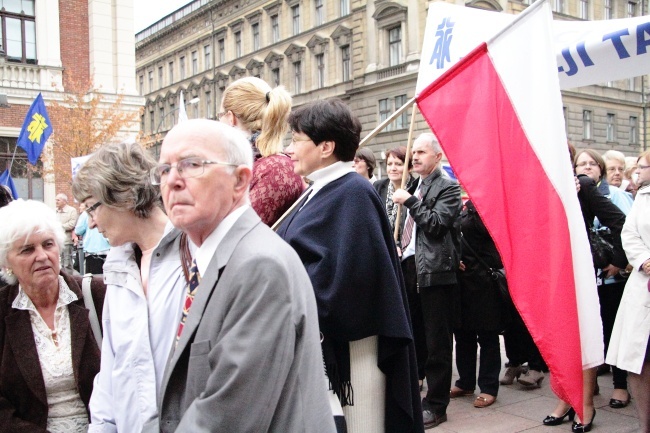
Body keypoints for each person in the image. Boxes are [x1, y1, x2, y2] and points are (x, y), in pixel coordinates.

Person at [146, 119, 335, 433]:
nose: (173, 181)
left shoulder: (259, 266)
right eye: (164, 169)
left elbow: (227, 417)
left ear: (239, 180)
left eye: (191, 164)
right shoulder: (212, 258)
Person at [277, 100, 423, 433]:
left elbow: (351, 282)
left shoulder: (353, 193)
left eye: (296, 139)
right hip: (324, 342)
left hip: (352, 351)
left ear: (325, 146)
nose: (289, 149)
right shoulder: (319, 190)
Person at [71, 141, 187, 432]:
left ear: (121, 195)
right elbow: (111, 371)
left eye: (91, 208)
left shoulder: (194, 253)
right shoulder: (118, 267)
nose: (91, 223)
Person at [542, 144, 627, 432]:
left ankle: (586, 405)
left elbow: (619, 221)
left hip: (579, 271)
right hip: (549, 271)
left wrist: (618, 260)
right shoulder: (539, 183)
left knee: (583, 337)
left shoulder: (585, 186)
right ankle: (565, 399)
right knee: (558, 338)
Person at [0, 199, 105, 432]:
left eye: (48, 244)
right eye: (27, 249)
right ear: (7, 262)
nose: (42, 256)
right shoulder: (2, 311)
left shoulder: (97, 294)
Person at [393, 132, 462, 429]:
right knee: (414, 337)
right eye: (414, 152)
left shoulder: (448, 187)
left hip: (434, 273)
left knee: (437, 343)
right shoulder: (413, 185)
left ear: (438, 156)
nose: (415, 157)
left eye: (422, 152)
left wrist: (410, 202)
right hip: (409, 269)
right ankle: (415, 393)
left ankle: (436, 405)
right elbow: (405, 230)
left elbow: (435, 226)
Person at [575, 148, 631, 409]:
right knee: (585, 333)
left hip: (610, 277)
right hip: (582, 275)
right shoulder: (571, 188)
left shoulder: (605, 192)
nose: (586, 168)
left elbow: (623, 223)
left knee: (612, 328)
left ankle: (620, 385)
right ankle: (587, 386)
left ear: (600, 168)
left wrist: (618, 261)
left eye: (591, 164)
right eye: (581, 164)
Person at [218, 76, 304, 226]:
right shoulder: (262, 164)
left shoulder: (276, 168)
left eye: (219, 115)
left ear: (230, 118)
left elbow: (239, 235)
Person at [606, 149, 650, 433]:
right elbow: (629, 234)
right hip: (644, 285)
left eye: (641, 167)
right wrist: (645, 260)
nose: (637, 173)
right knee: (639, 358)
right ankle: (645, 423)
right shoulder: (642, 198)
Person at [453, 200, 507, 409]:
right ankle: (465, 382)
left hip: (484, 281)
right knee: (463, 334)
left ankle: (488, 386)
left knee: (487, 335)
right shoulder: (463, 206)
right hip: (462, 281)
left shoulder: (489, 205)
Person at [373, 146, 415, 236]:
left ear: (410, 168)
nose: (393, 168)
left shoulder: (415, 188)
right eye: (389, 164)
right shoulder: (378, 186)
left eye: (398, 164)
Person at [74, 204, 110, 275]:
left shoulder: (86, 213)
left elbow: (78, 230)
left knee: (94, 280)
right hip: (108, 248)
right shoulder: (106, 209)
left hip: (92, 250)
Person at [55, 193, 79, 274]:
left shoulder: (72, 210)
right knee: (60, 263)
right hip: (58, 241)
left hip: (67, 241)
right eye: (56, 200)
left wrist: (59, 227)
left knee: (67, 262)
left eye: (58, 200)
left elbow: (72, 224)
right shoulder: (56, 211)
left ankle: (69, 280)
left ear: (64, 201)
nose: (56, 201)